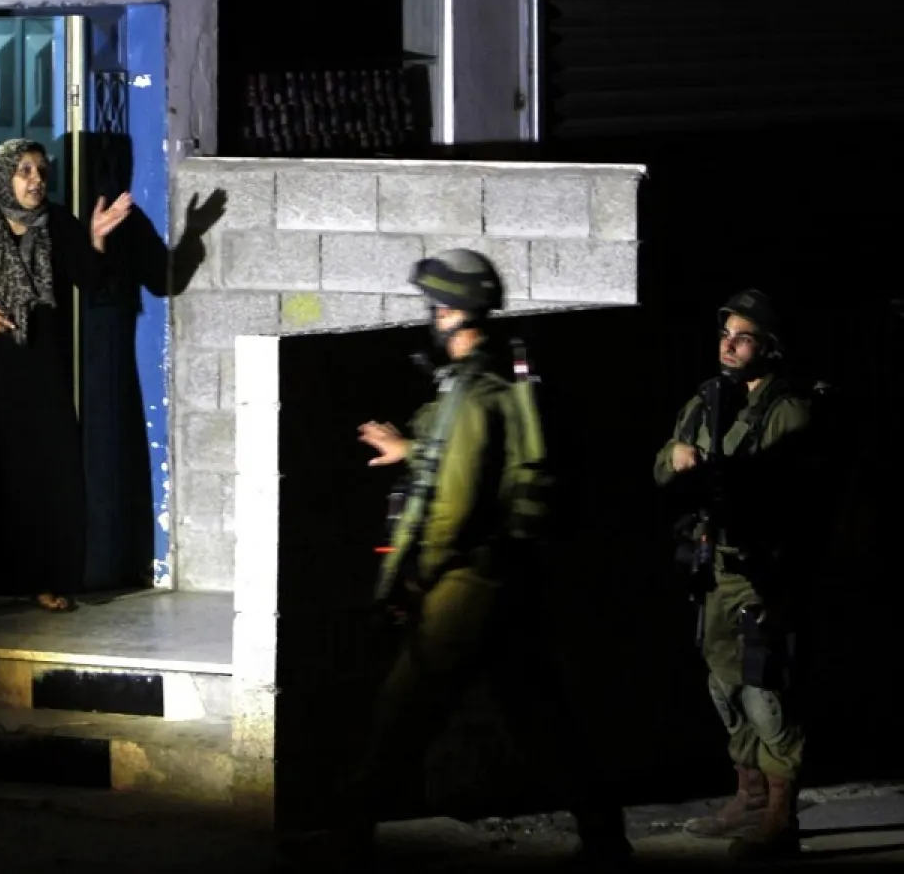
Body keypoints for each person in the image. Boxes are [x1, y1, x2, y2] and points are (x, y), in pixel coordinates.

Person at [334, 248, 630, 868]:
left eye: (436, 307)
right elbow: (459, 458)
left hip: (467, 583)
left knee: (401, 712)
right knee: (539, 714)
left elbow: (455, 503)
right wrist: (411, 449)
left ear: (453, 313)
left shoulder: (473, 394)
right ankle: (605, 835)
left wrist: (420, 577)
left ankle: (347, 839)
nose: (431, 317)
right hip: (504, 577)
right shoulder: (487, 385)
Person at [653, 289, 812, 860]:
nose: (729, 345)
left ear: (768, 347)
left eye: (743, 337)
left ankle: (780, 817)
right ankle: (749, 797)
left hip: (760, 568)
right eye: (725, 335)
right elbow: (662, 467)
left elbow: (797, 501)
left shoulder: (787, 411)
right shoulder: (707, 401)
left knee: (763, 690)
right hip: (712, 564)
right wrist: (677, 457)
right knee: (724, 686)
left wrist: (786, 585)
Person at [0, 137, 131, 612]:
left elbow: (92, 280)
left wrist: (96, 239)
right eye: (24, 171)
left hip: (45, 365)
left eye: (41, 171)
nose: (36, 180)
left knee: (51, 471)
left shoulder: (58, 223)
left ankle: (48, 578)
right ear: (4, 175)